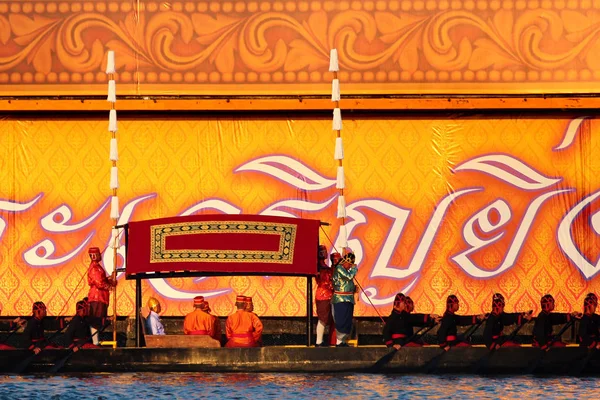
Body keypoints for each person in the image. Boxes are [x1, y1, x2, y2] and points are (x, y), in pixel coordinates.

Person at [87, 247, 116, 345]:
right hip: (97, 297)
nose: (100, 255)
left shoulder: (98, 267)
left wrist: (110, 280)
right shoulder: (95, 268)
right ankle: (95, 341)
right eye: (98, 254)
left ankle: (96, 340)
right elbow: (99, 283)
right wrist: (108, 286)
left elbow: (102, 280)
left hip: (101, 297)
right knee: (96, 320)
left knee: (99, 319)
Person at [332, 249, 358, 347]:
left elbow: (347, 282)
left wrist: (354, 288)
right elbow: (348, 277)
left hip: (349, 298)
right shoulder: (339, 268)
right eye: (349, 264)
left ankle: (343, 340)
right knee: (341, 319)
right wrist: (354, 269)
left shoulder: (346, 270)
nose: (350, 266)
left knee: (347, 320)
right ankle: (339, 341)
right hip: (340, 298)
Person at [315, 247, 336, 347]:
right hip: (323, 294)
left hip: (328, 294)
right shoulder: (318, 266)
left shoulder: (324, 266)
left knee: (327, 319)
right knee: (322, 319)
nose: (325, 253)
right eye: (323, 252)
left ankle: (322, 340)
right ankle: (318, 341)